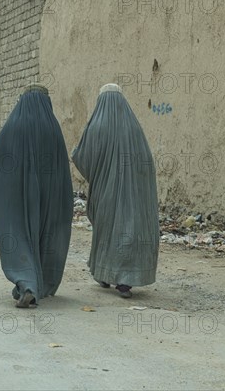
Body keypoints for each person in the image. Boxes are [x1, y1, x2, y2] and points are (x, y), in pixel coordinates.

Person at [0, 84, 73, 308]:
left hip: (17, 194)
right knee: (46, 233)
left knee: (18, 231)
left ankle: (26, 282)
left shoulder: (16, 124)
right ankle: (41, 282)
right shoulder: (53, 128)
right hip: (49, 195)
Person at [72, 83, 159, 298]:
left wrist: (99, 174)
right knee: (129, 231)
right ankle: (125, 281)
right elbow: (147, 161)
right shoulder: (134, 127)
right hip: (135, 193)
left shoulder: (97, 126)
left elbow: (81, 157)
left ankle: (104, 272)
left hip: (106, 191)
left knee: (107, 231)